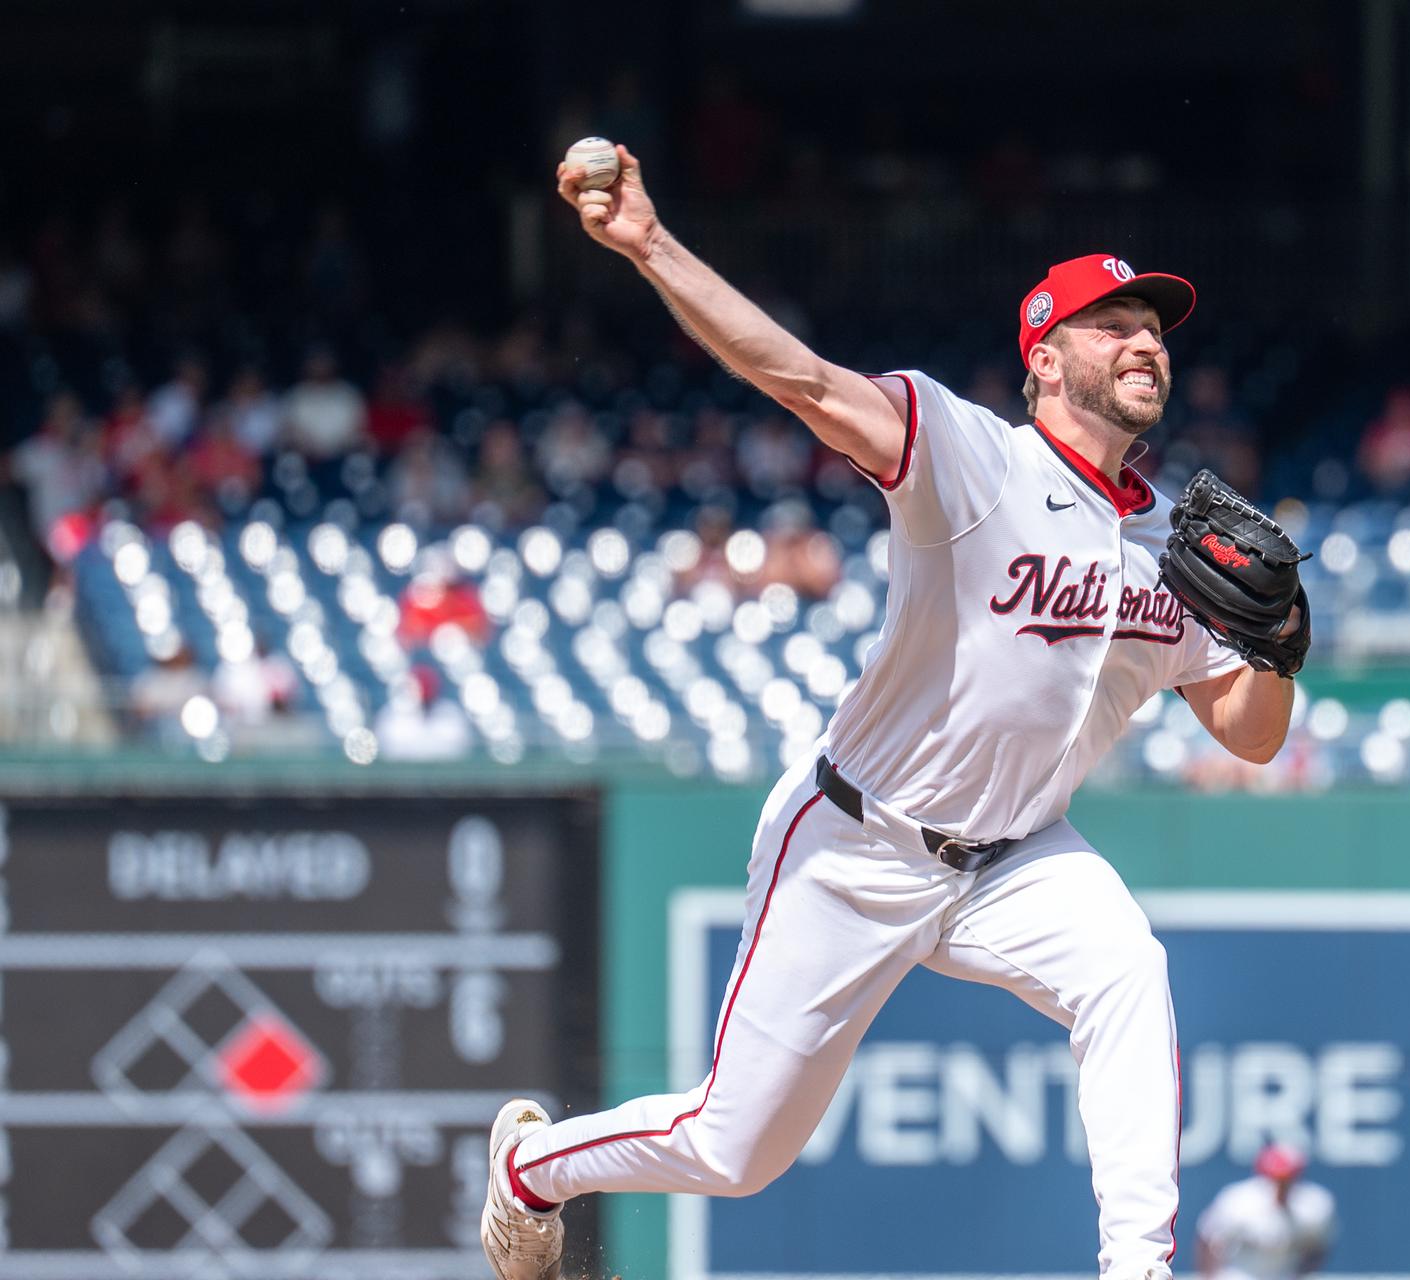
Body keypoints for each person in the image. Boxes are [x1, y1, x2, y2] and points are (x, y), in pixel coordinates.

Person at [480, 141, 1303, 1280]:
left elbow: (1250, 733)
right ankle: (534, 1167)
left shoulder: (1174, 542)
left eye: (1155, 328)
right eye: (1113, 324)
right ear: (1045, 359)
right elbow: (803, 380)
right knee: (735, 1148)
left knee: (1126, 967)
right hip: (855, 842)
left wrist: (1278, 650)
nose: (1145, 341)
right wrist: (652, 245)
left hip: (1018, 858)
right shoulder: (972, 456)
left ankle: (1138, 1267)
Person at [1195, 1145, 1337, 1280]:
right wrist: (1209, 1277)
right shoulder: (1239, 1201)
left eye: (1287, 1178)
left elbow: (1318, 1247)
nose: (1281, 1184)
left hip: (1283, 1275)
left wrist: (1300, 1275)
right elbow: (1207, 1239)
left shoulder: (1313, 1206)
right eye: (1276, 1177)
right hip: (1241, 1273)